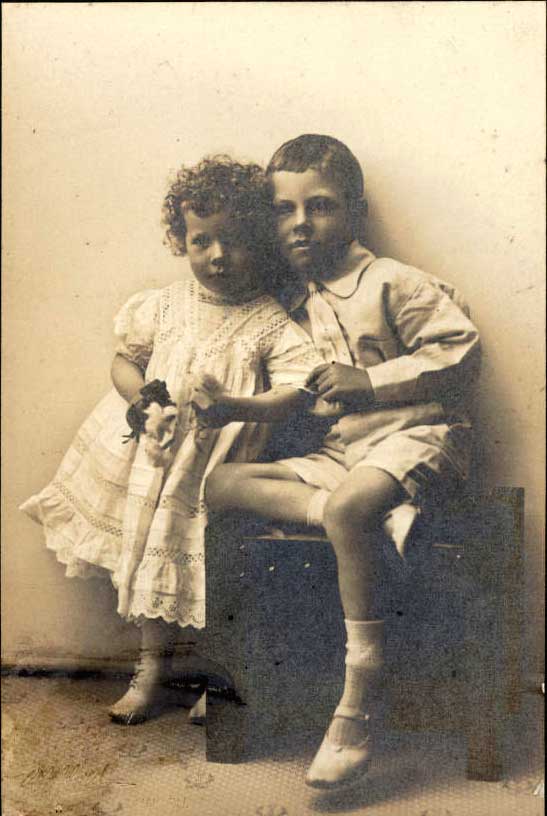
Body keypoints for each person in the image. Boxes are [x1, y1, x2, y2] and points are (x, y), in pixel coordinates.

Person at [205, 135, 481, 789]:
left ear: (355, 210)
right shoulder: (287, 299)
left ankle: (358, 697)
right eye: (283, 209)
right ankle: (347, 515)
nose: (300, 223)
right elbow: (294, 384)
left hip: (415, 435)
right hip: (343, 452)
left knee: (354, 502)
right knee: (220, 483)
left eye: (320, 205)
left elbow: (459, 351)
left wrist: (372, 380)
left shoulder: (392, 281)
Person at [20, 155, 323, 726]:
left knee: (210, 571)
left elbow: (296, 391)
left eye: (233, 240)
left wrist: (234, 407)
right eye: (201, 240)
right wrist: (144, 400)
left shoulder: (270, 321)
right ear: (181, 240)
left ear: (258, 239)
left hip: (214, 470)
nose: (217, 256)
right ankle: (149, 671)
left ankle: (217, 674)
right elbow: (125, 361)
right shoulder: (164, 304)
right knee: (148, 561)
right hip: (152, 456)